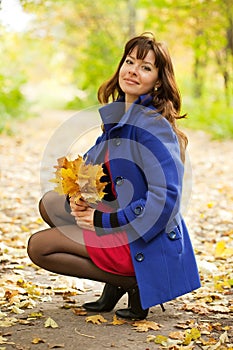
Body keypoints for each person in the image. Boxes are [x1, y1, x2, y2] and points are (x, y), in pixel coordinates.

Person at [27, 33, 201, 320]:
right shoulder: (121, 117)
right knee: (50, 203)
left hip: (142, 240)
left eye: (145, 67)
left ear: (158, 81)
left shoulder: (153, 127)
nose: (133, 70)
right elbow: (93, 169)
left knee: (40, 247)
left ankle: (133, 282)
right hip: (123, 223)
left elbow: (165, 201)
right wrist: (80, 198)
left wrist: (100, 221)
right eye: (129, 61)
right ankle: (116, 282)